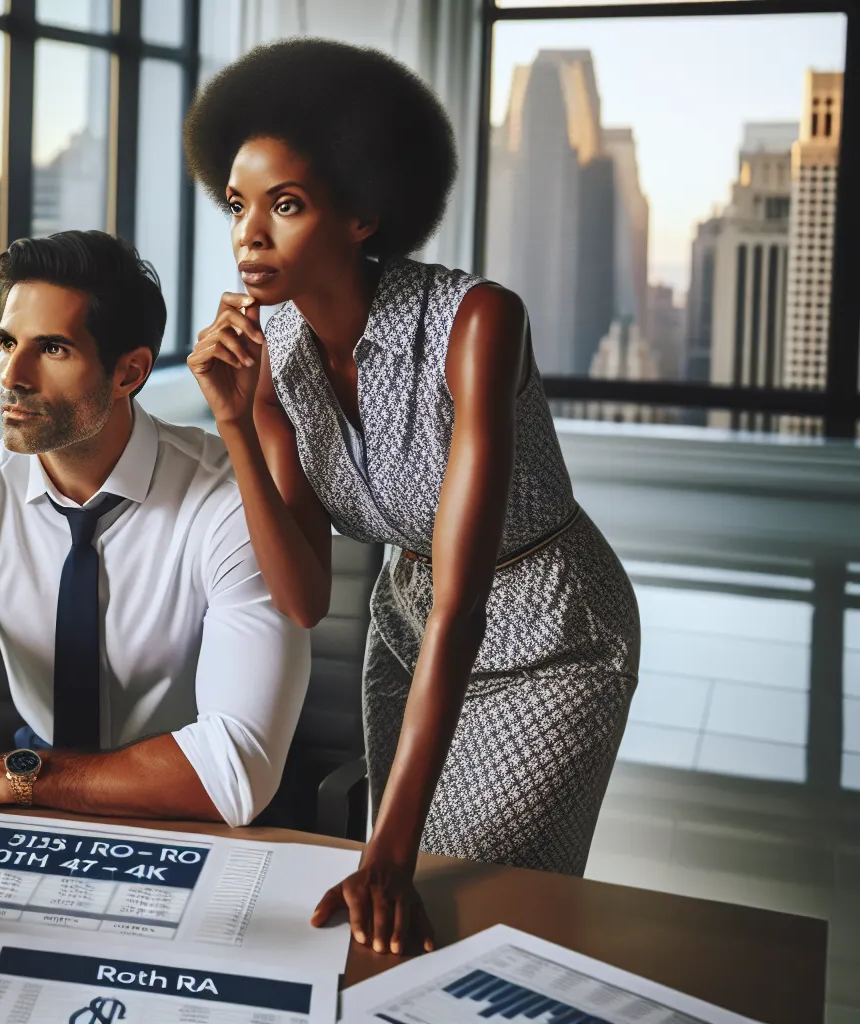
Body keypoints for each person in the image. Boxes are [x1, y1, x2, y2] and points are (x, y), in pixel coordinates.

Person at [181, 39, 641, 955]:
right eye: (237, 204)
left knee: (474, 889)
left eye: (286, 204)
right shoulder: (274, 358)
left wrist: (387, 850)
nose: (248, 234)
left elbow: (464, 604)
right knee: (403, 914)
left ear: (363, 213)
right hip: (407, 627)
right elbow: (303, 597)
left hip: (551, 635)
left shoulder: (478, 321)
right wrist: (235, 418)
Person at [0, 230, 310, 828]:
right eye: (7, 343)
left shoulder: (229, 501)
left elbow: (234, 772)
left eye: (53, 349)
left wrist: (15, 779)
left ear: (129, 372)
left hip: (192, 813)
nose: (12, 375)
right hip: (34, 804)